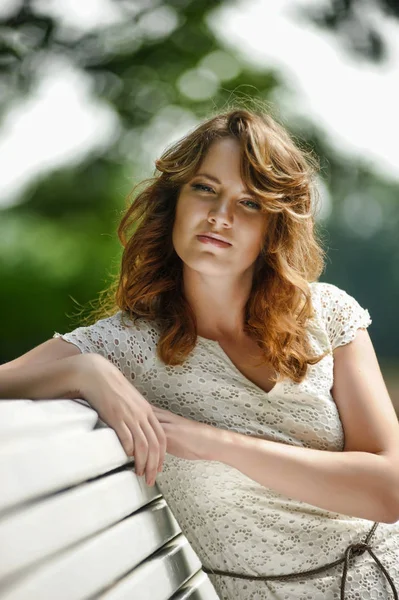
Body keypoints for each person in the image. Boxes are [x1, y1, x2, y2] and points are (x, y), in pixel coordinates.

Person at [1, 105, 399, 599]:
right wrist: (87, 370)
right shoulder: (123, 344)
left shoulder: (328, 316)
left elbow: (389, 488)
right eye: (205, 188)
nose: (220, 216)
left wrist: (212, 442)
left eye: (249, 202)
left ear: (273, 227)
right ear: (175, 201)